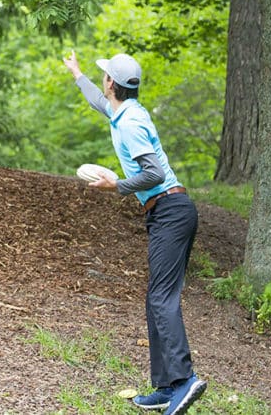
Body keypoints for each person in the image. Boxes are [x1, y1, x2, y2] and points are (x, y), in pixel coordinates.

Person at [63, 50, 206, 415]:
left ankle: (185, 379)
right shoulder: (126, 111)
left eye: (104, 77)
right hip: (168, 212)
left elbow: (154, 173)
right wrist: (77, 73)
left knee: (161, 297)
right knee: (156, 297)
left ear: (112, 82)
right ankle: (165, 387)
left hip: (170, 211)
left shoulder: (129, 123)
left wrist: (118, 185)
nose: (103, 83)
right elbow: (99, 102)